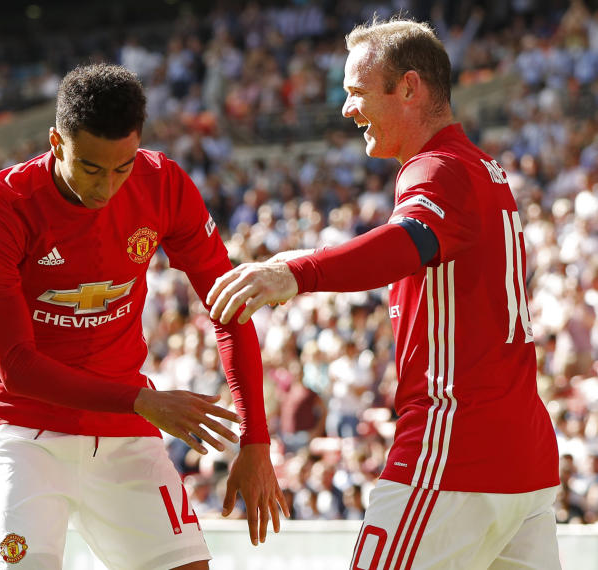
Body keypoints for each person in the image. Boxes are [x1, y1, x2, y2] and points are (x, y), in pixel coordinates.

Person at [206, 17, 560, 569]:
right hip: (524, 462)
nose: (347, 109)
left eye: (356, 92)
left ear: (410, 88)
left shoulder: (437, 168)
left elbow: (407, 242)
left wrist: (294, 273)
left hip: (454, 452)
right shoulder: (481, 168)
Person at [0, 63, 288, 569]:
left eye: (123, 166)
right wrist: (142, 400)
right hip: (26, 432)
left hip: (123, 428)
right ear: (55, 142)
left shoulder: (163, 184)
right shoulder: (0, 210)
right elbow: (16, 368)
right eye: (91, 167)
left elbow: (230, 306)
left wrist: (256, 440)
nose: (107, 186)